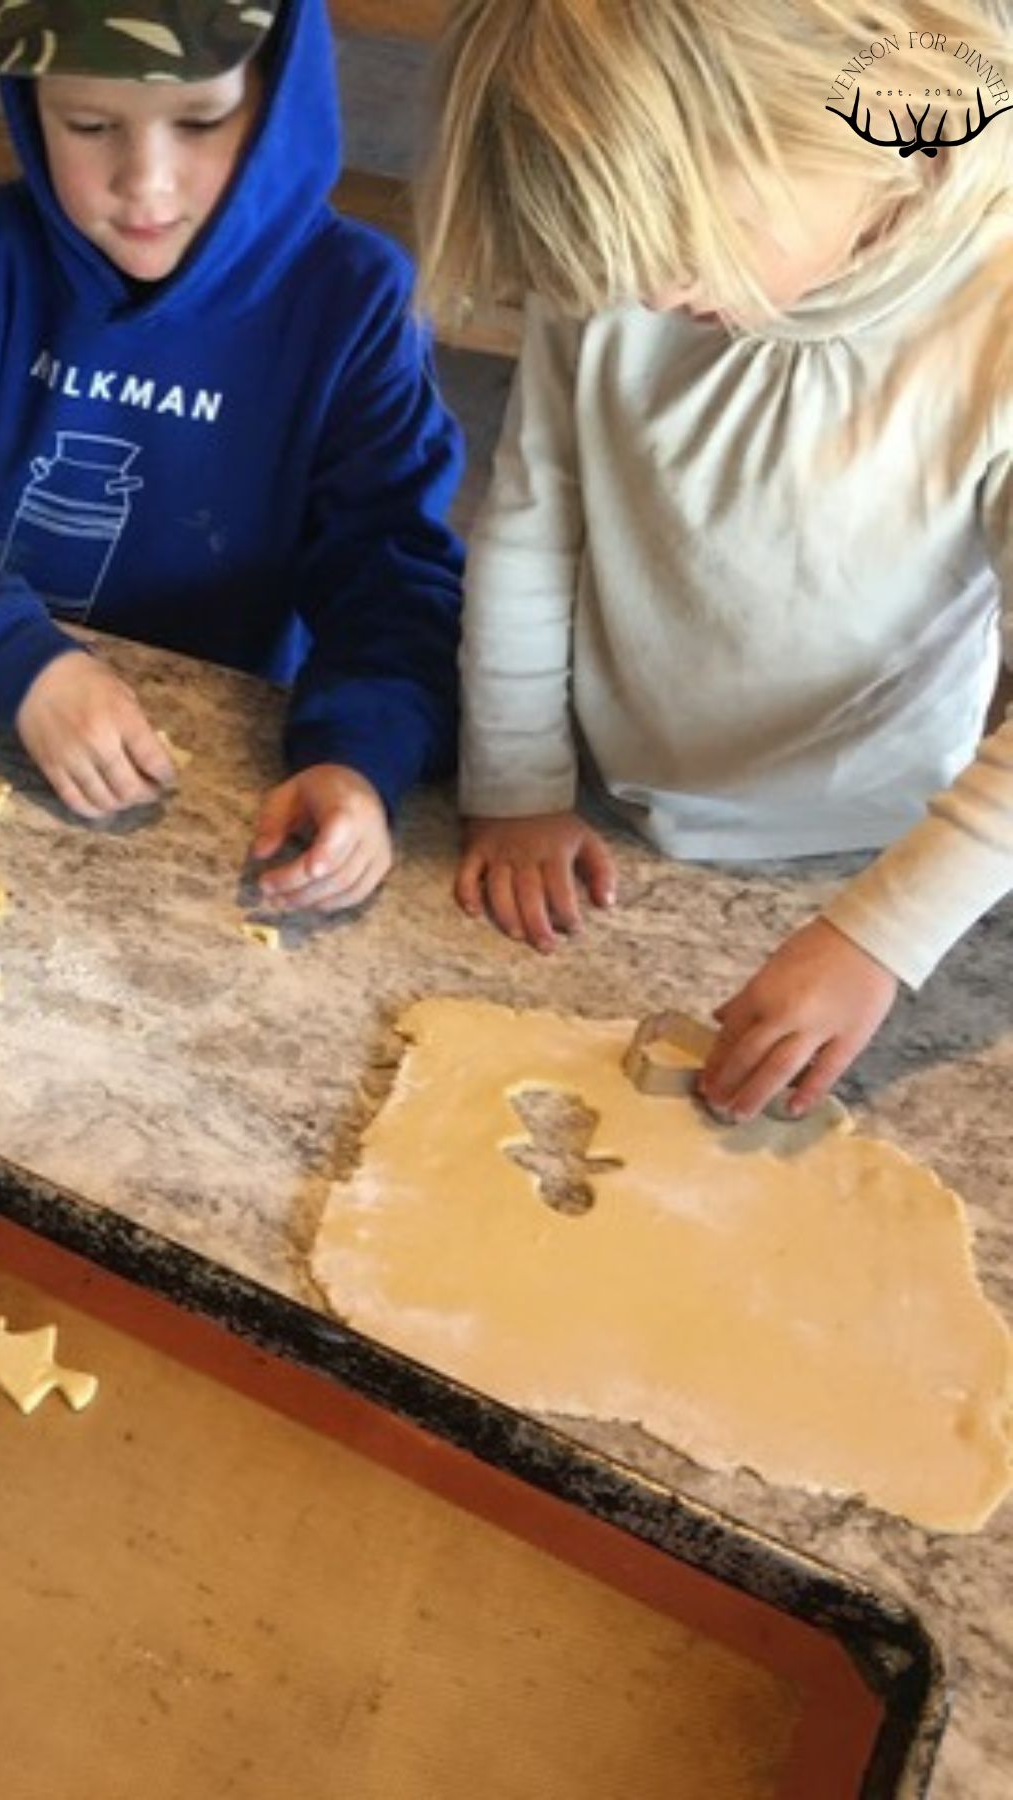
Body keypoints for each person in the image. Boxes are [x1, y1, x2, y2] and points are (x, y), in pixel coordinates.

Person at [415, 0, 1013, 1117]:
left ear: (859, 126)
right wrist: (515, 785)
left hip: (873, 859)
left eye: (680, 255)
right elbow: (532, 529)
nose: (644, 298)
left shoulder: (993, 312)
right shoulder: (626, 233)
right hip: (604, 805)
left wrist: (877, 938)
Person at [0, 0, 464, 914]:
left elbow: (395, 582)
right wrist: (20, 660)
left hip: (221, 790)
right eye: (88, 126)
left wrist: (359, 758)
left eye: (200, 122)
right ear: (28, 111)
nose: (146, 185)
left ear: (279, 98)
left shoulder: (356, 302)